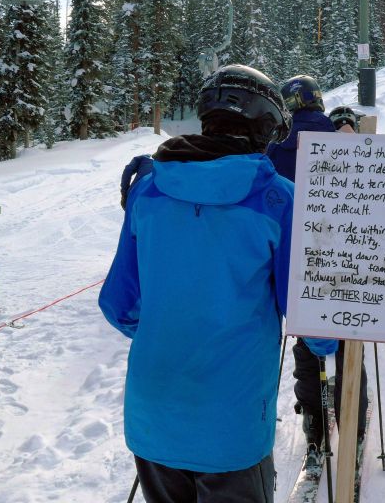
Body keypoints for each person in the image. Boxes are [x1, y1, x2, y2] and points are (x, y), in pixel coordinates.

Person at [99, 64, 332, 503]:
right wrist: (333, 339)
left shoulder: (148, 190)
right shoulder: (278, 198)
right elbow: (310, 318)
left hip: (154, 413)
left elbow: (118, 304)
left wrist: (173, 326)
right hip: (232, 423)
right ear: (264, 127)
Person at [266, 76, 369, 465]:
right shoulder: (347, 140)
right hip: (346, 260)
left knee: (307, 345)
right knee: (348, 343)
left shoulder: (274, 147)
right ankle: (353, 424)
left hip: (294, 262)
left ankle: (314, 422)